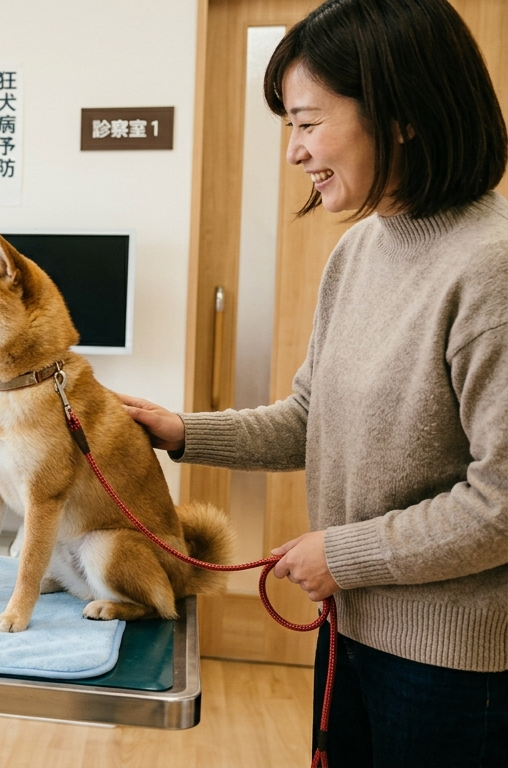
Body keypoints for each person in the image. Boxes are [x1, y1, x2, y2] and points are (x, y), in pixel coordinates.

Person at [122, 1, 508, 765]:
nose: (294, 152)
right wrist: (183, 431)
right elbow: (309, 416)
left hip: (454, 669)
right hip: (351, 631)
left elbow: (500, 502)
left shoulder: (490, 268)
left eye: (307, 123)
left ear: (400, 116)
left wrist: (345, 554)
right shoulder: (362, 249)